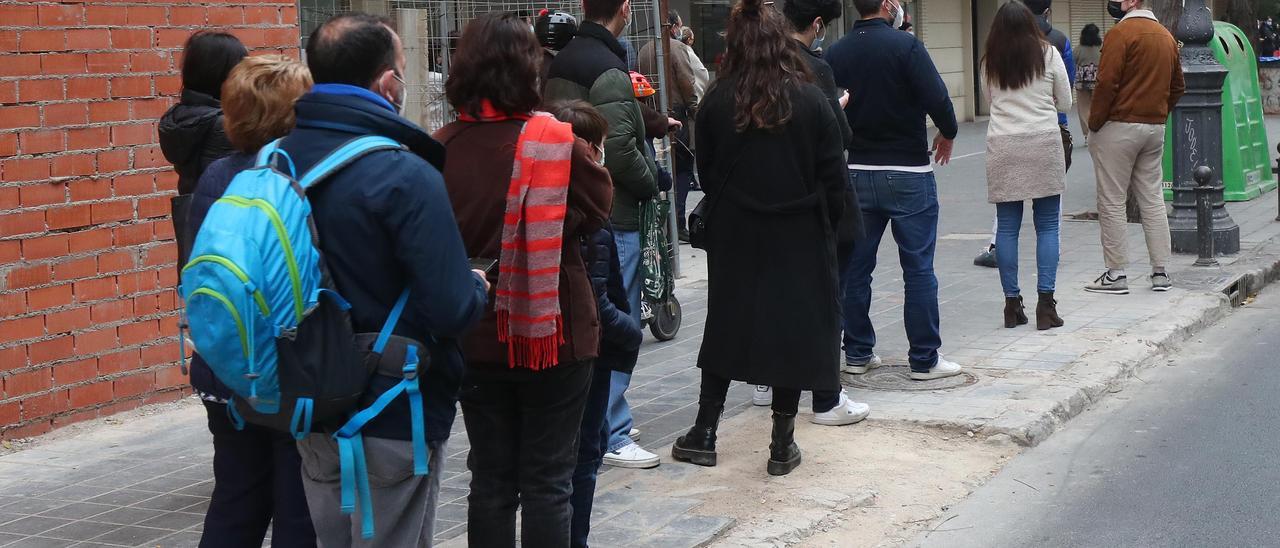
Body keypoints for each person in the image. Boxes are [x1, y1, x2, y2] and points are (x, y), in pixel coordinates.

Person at [281, 14, 489, 546]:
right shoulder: (405, 173)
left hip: (308, 398)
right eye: (399, 69)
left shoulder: (272, 162)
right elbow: (449, 308)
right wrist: (475, 290)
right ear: (386, 84)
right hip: (394, 406)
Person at [434, 14, 613, 547]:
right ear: (529, 68)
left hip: (475, 334)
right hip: (555, 332)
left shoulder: (438, 147)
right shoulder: (556, 142)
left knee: (489, 480)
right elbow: (600, 205)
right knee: (548, 482)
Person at [670, 0, 848, 477]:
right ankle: (781, 443)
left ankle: (705, 432)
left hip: (735, 234)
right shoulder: (810, 100)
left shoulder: (716, 102)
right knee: (789, 330)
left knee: (727, 325)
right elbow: (834, 177)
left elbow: (706, 172)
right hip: (799, 232)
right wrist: (831, 230)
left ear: (733, 45)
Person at [181, 54, 318, 548]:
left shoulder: (217, 176)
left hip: (226, 365)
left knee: (236, 499)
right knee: (297, 508)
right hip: (289, 370)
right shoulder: (300, 175)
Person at [545, 0, 663, 469]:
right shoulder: (609, 66)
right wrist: (654, 178)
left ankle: (600, 420)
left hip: (571, 203)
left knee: (593, 316)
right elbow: (616, 145)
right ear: (625, 9)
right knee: (616, 321)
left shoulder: (563, 59)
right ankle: (612, 428)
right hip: (612, 210)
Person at [746, 0, 869, 428]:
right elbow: (838, 138)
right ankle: (826, 394)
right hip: (815, 201)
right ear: (817, 24)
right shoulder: (813, 69)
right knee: (826, 296)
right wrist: (840, 104)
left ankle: (766, 380)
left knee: (774, 289)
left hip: (766, 203)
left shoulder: (753, 70)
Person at [826, 0, 964, 381]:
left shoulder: (837, 52)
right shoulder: (907, 47)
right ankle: (924, 358)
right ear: (889, 5)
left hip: (857, 170)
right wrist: (947, 133)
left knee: (856, 268)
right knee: (918, 268)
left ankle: (856, 352)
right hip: (908, 170)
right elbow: (938, 98)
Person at [546, 100, 645, 548]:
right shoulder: (588, 216)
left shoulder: (537, 201)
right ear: (589, 151)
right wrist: (631, 330)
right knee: (583, 457)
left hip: (554, 349)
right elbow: (597, 301)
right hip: (585, 353)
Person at [982, 2, 1071, 331]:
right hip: (1043, 144)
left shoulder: (989, 61)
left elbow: (988, 101)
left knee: (1007, 228)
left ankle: (1011, 305)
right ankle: (1046, 306)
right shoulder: (1049, 54)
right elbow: (1066, 101)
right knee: (1047, 226)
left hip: (1003, 145)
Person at [1085, 0, 1185, 294]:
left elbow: (1106, 84)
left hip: (1118, 126)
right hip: (1154, 128)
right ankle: (1160, 272)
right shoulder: (1166, 36)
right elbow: (1178, 86)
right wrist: (1158, 113)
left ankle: (1116, 274)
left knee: (1112, 198)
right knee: (1152, 199)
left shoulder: (1121, 33)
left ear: (1131, 1)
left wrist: (1094, 123)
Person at [159, 31, 247, 267]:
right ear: (223, 75)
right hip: (227, 239)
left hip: (196, 232)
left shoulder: (180, 117)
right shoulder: (221, 125)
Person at [640, 10, 700, 241]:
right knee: (683, 168)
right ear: (673, 26)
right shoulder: (677, 49)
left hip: (651, 114)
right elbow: (687, 82)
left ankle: (665, 219)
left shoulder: (644, 50)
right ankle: (678, 220)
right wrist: (695, 110)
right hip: (677, 115)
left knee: (659, 165)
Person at [1075, 23, 1102, 143]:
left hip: (1082, 82)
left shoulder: (1078, 49)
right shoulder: (1101, 49)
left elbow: (1072, 62)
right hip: (1098, 81)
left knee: (1083, 108)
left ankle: (1087, 134)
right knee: (1097, 106)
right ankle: (1098, 131)